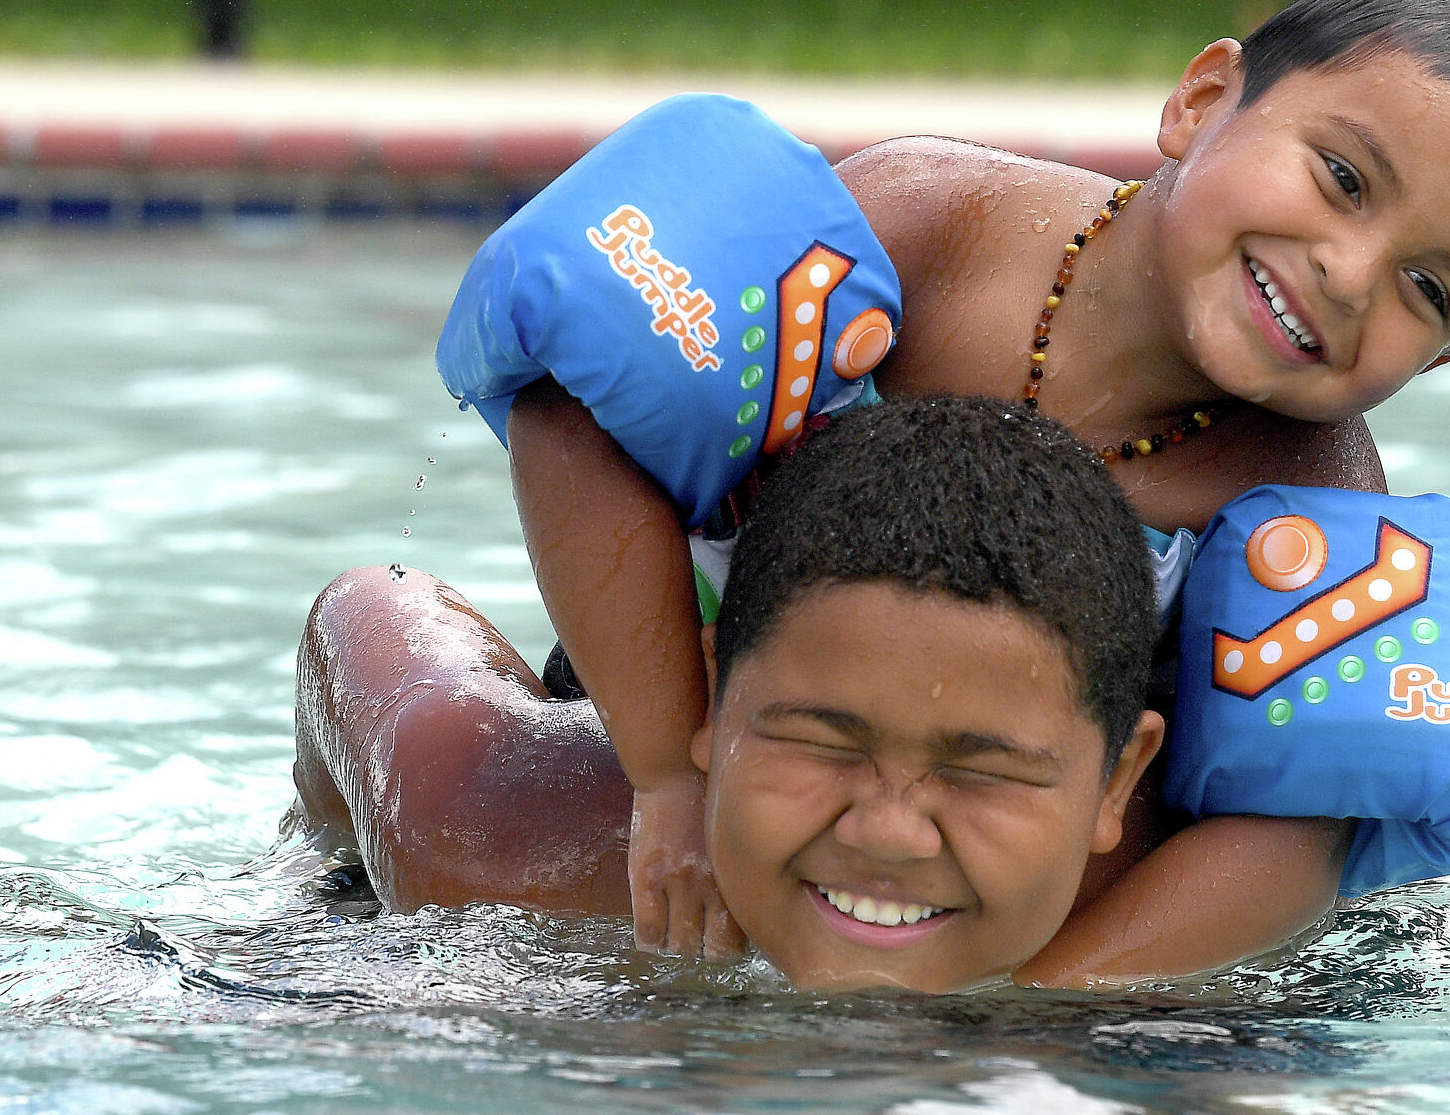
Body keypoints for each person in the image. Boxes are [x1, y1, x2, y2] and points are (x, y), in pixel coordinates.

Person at [436, 0, 1450, 973]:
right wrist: (667, 774)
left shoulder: (1310, 503)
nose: (1348, 271)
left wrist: (1041, 1015)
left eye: (1425, 290)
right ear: (1199, 100)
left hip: (984, 868)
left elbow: (1292, 830)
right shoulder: (923, 227)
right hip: (689, 712)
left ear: (1446, 355)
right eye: (1341, 178)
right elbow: (579, 409)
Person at [288, 396, 1218, 992]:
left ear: (1117, 781)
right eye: (824, 744)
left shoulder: (1199, 948)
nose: (887, 834)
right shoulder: (506, 847)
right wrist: (319, 892)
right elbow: (373, 606)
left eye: (980, 772)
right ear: (707, 699)